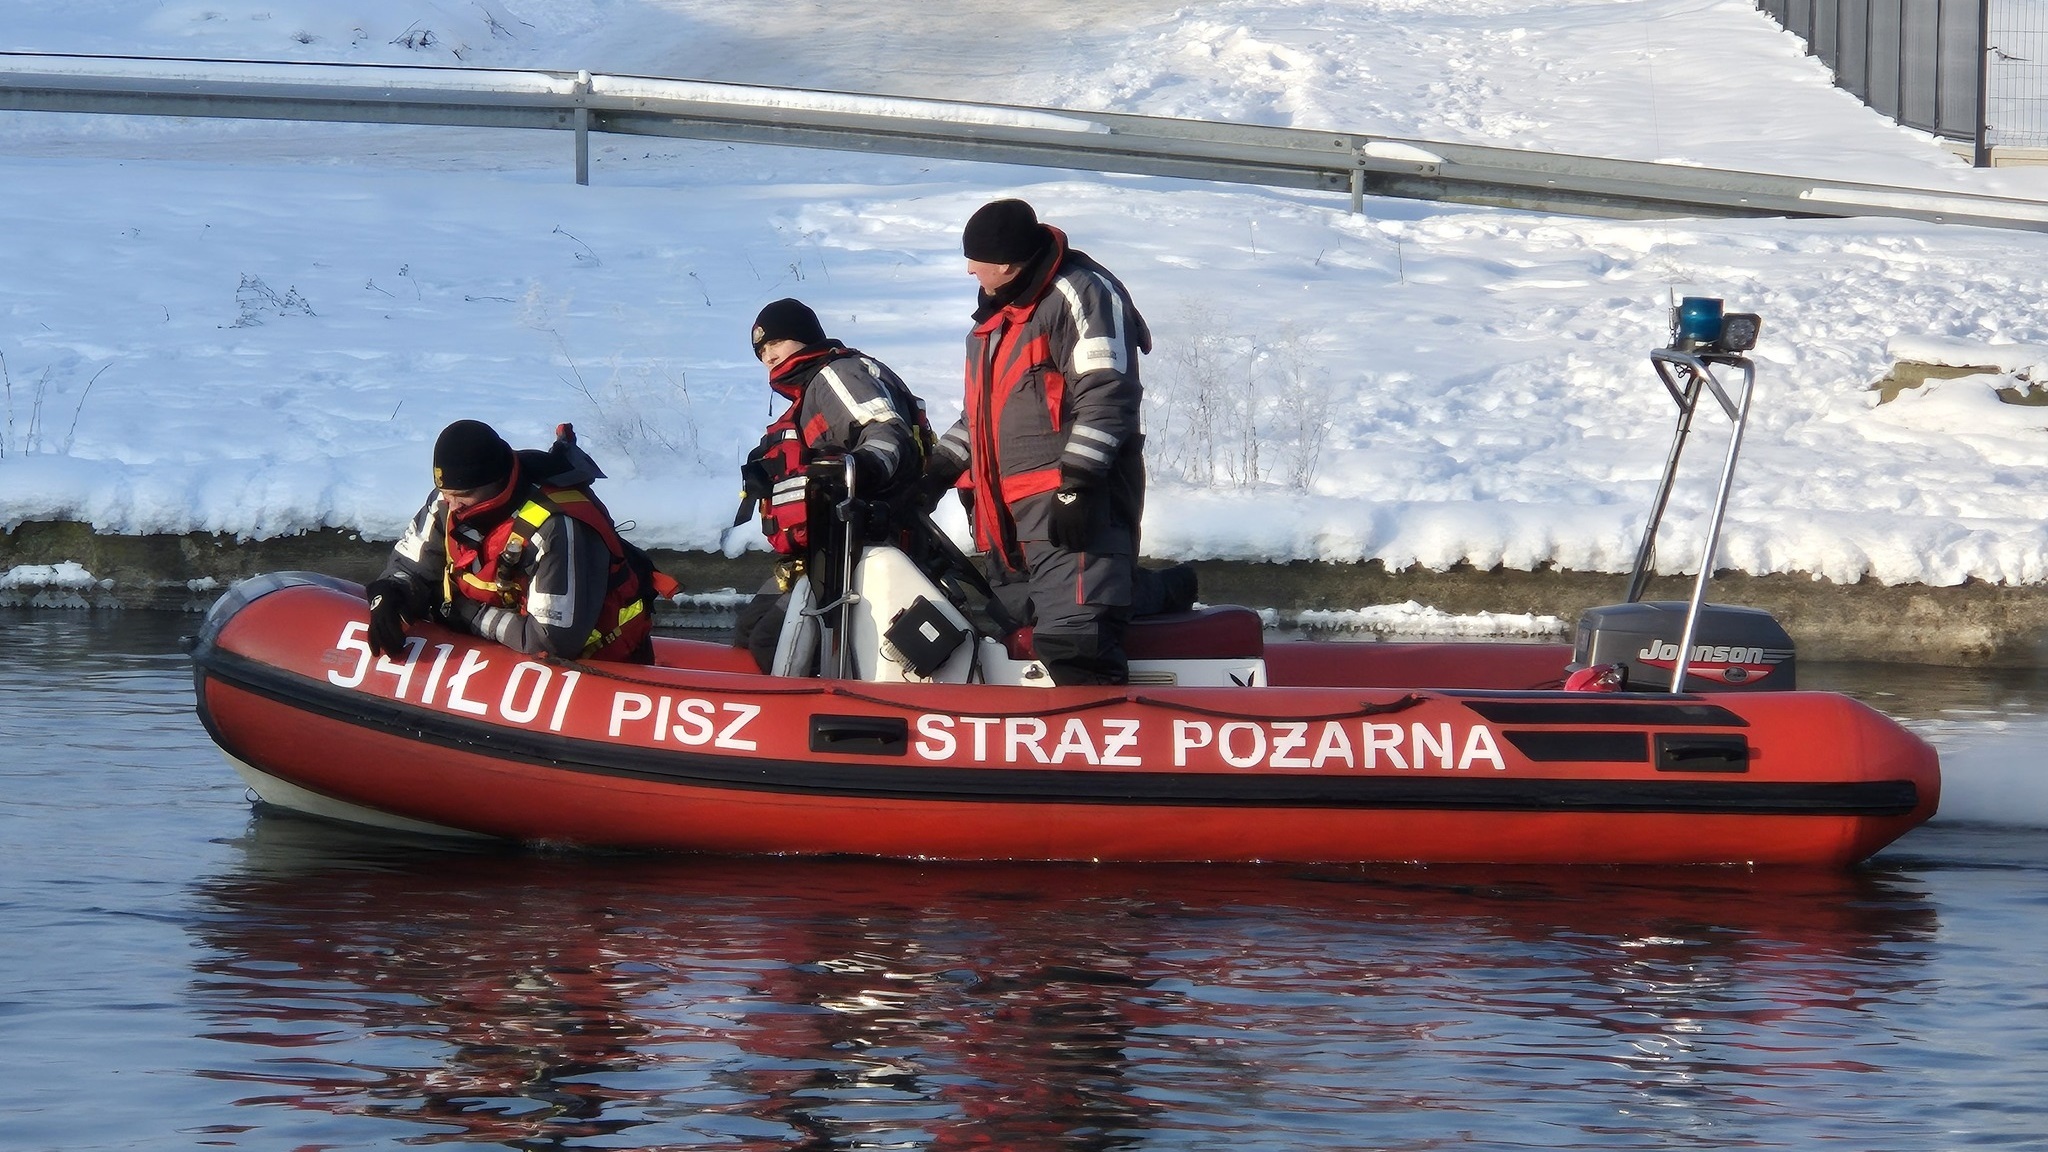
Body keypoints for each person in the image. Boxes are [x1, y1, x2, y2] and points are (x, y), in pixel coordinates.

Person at [917, 198, 1156, 686]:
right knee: (1013, 634)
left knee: (1075, 643)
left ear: (1006, 263)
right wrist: (937, 471)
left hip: (1070, 511)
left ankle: (1095, 750)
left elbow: (1107, 391)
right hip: (1007, 520)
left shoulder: (1081, 293)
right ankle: (1158, 592)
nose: (968, 270)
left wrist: (1080, 484)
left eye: (976, 260)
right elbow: (983, 418)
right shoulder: (997, 322)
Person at [731, 298, 930, 673]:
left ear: (806, 338)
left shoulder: (836, 375)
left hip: (860, 543)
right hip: (822, 549)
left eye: (776, 343)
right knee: (750, 628)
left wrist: (862, 468)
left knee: (770, 639)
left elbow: (889, 435)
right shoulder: (810, 392)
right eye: (761, 351)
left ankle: (800, 720)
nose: (768, 356)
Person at [364, 419, 662, 664]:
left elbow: (551, 640)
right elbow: (410, 566)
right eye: (446, 495)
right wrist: (390, 593)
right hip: (499, 645)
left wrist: (467, 613)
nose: (451, 507)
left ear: (493, 485)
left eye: (462, 498)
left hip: (597, 666)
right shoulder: (449, 501)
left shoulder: (556, 527)